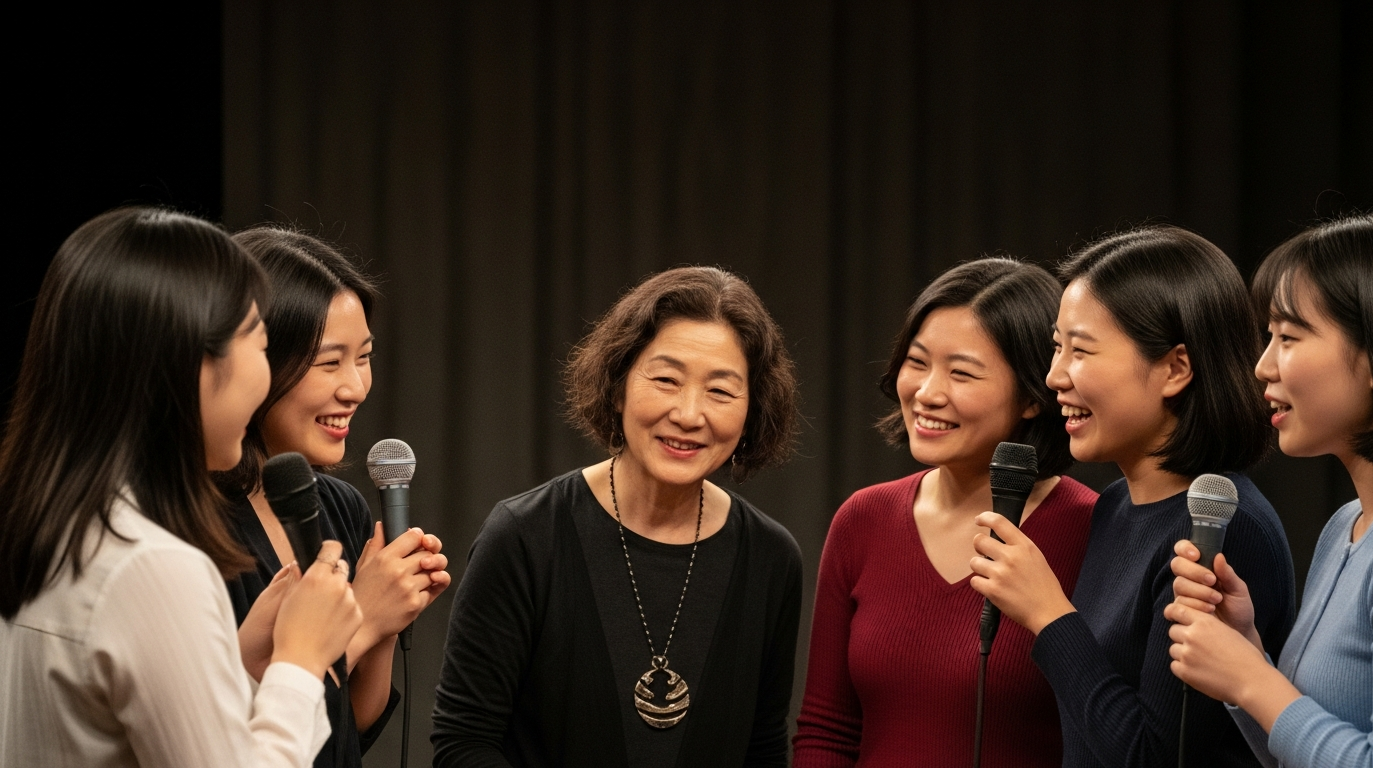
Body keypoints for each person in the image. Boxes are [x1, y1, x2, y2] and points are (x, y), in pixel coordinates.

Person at [0, 207, 362, 767]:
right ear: (188, 363)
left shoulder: (63, 529)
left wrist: (240, 661)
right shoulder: (149, 565)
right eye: (260, 345)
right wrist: (301, 659)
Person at [431, 266, 803, 767]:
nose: (690, 414)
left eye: (720, 391)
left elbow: (763, 749)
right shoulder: (526, 536)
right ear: (618, 382)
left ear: (753, 409)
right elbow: (464, 743)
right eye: (666, 379)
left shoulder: (771, 557)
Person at [969, 225, 1298, 767]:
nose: (1055, 376)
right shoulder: (1117, 506)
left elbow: (1152, 757)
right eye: (1057, 348)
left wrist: (1048, 614)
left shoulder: (1221, 527)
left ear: (1174, 368)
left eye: (1081, 351)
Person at [793, 258, 1098, 766]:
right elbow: (827, 730)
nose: (927, 393)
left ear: (1031, 394)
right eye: (917, 362)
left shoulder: (1090, 528)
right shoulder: (862, 520)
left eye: (961, 373)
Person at [1165, 210, 1373, 767]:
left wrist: (1253, 681)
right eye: (1267, 337)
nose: (1262, 366)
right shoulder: (1345, 526)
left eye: (1289, 337)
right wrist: (1244, 651)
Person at [218, 227, 453, 768]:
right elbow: (222, 735)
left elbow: (348, 725)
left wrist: (389, 619)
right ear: (254, 361)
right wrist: (364, 617)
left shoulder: (338, 504)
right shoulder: (193, 523)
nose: (355, 388)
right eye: (329, 362)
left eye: (363, 357)